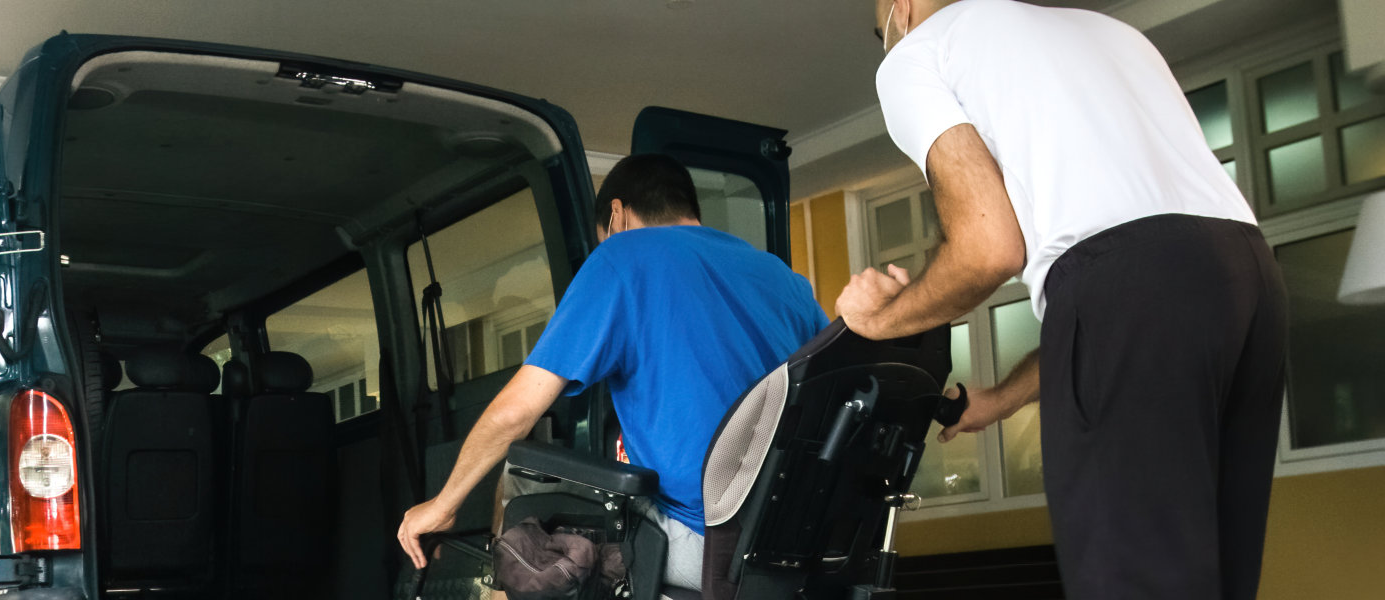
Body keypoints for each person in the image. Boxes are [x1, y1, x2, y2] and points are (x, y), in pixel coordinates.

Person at [843, 1, 1288, 598]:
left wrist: (878, 318)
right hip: (1249, 275)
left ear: (900, 8)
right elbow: (1130, 287)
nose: (887, 43)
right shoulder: (1108, 33)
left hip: (1133, 291)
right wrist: (999, 399)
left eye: (881, 32)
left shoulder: (916, 54)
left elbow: (990, 248)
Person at [395, 154, 829, 592]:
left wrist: (443, 505)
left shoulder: (622, 255)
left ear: (617, 216)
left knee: (519, 473)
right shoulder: (780, 276)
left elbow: (515, 414)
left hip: (705, 539)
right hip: (795, 536)